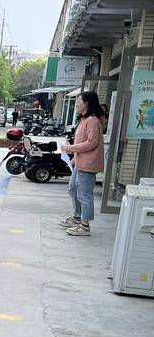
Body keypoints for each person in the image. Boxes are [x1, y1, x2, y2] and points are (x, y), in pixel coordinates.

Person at [61, 90, 105, 237]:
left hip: (88, 164)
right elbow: (82, 141)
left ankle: (85, 226)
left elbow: (92, 143)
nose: (76, 105)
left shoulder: (92, 120)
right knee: (73, 188)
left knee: (84, 194)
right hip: (80, 162)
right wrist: (74, 157)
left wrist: (70, 148)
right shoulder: (84, 120)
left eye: (78, 102)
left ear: (86, 103)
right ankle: (77, 217)